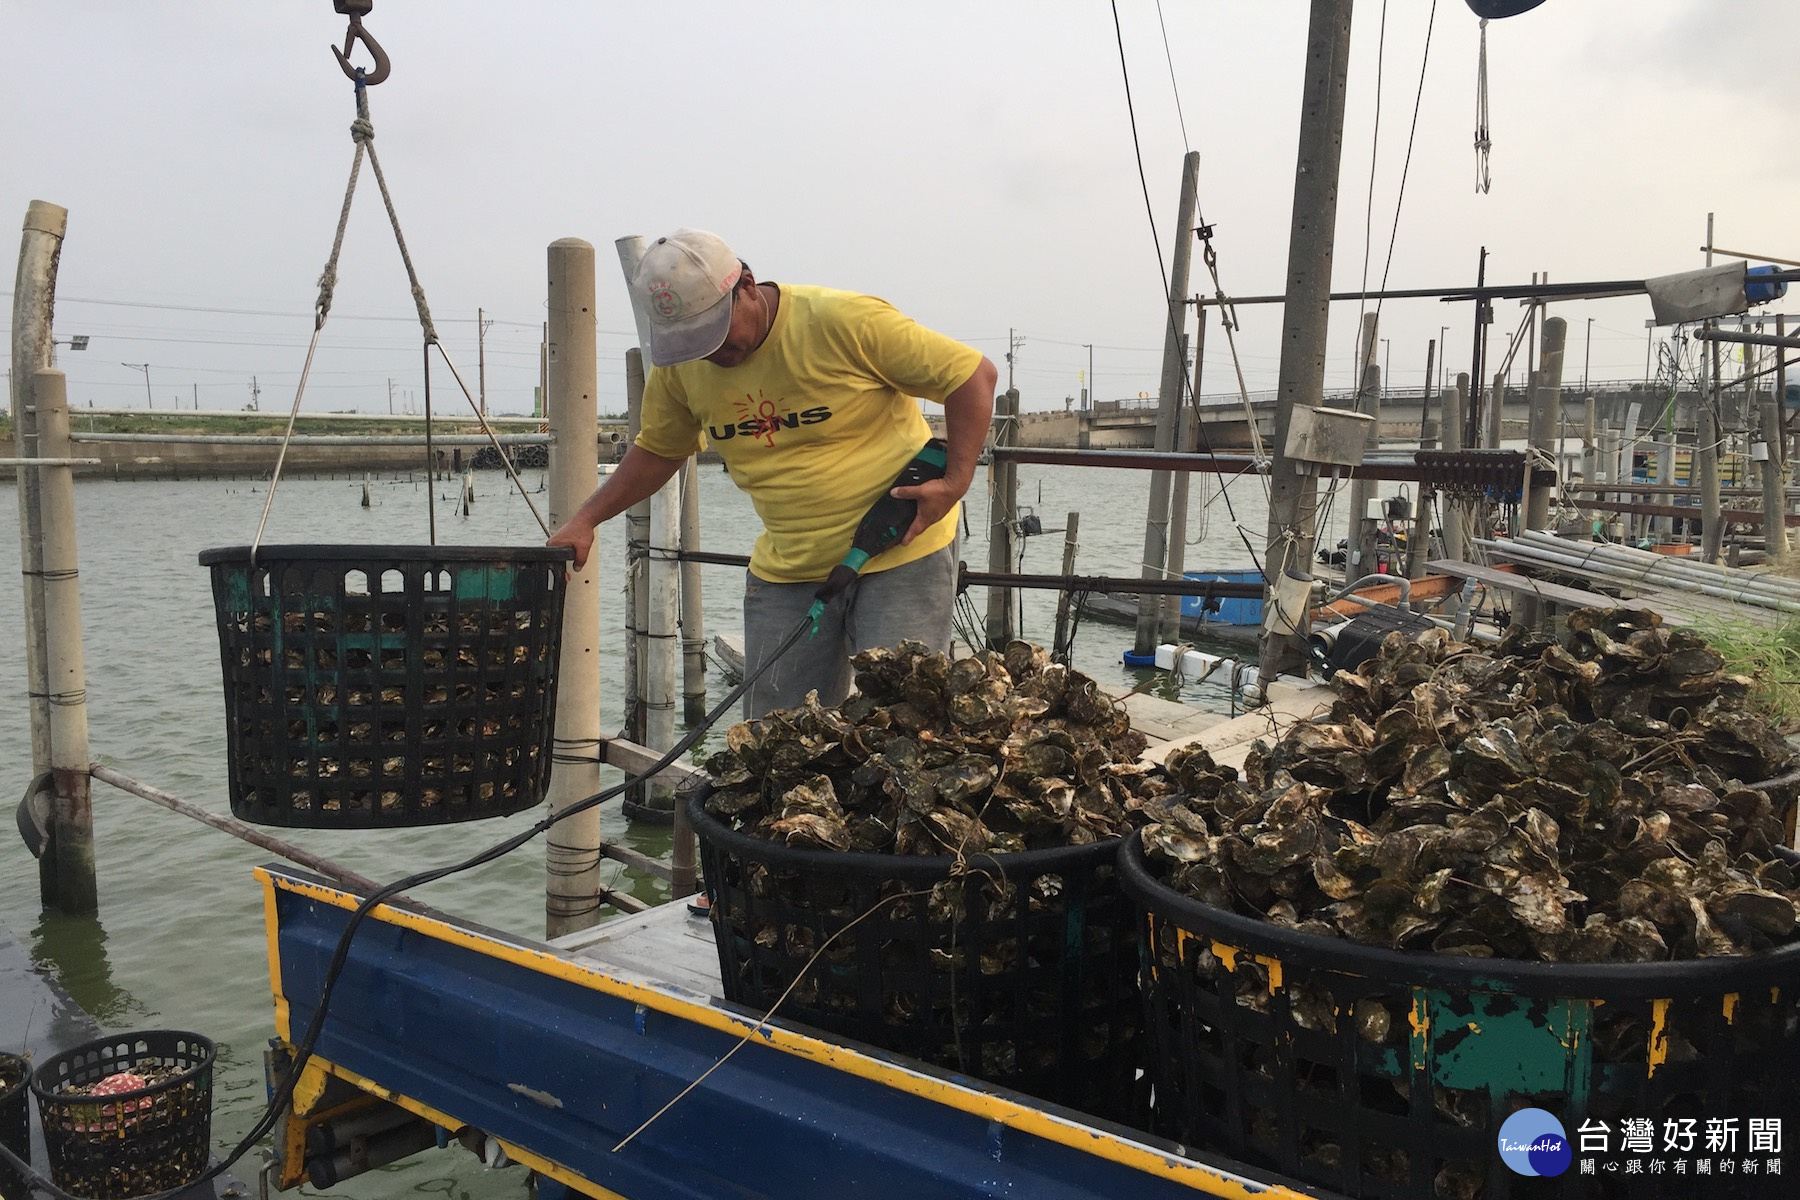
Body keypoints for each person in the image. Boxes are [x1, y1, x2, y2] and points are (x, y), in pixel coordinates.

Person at [548, 228, 997, 717]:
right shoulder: (679, 367)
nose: (712, 352)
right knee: (774, 738)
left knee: (900, 721)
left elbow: (971, 375)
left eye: (716, 331)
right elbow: (658, 450)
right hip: (788, 567)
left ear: (745, 284)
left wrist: (954, 483)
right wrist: (587, 518)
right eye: (692, 341)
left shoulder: (842, 320)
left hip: (900, 548)